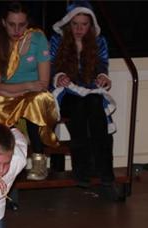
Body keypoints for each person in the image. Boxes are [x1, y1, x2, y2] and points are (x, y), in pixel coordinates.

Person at [0, 1, 58, 181]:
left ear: (28, 23)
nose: (17, 30)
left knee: (37, 101)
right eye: (11, 25)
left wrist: (14, 91)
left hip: (32, 96)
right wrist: (26, 86)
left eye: (21, 25)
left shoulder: (38, 39)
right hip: (9, 96)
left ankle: (39, 160)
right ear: (3, 22)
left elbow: (43, 84)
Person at [50, 1, 119, 200]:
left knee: (96, 109)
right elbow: (51, 66)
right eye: (75, 24)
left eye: (84, 24)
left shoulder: (98, 42)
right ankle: (82, 170)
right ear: (68, 24)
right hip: (66, 93)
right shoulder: (57, 40)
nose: (79, 29)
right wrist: (59, 76)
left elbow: (102, 64)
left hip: (89, 91)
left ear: (91, 25)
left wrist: (102, 77)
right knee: (79, 109)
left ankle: (106, 176)